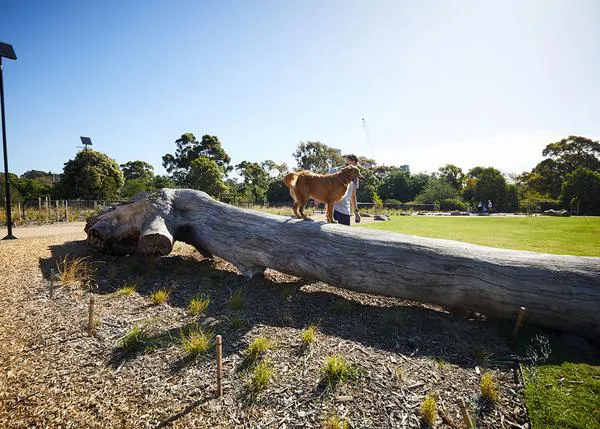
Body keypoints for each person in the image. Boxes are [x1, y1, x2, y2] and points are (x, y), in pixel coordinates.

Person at [328, 154, 361, 225]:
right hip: (334, 209)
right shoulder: (334, 171)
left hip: (346, 211)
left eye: (353, 166)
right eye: (348, 165)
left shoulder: (355, 176)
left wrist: (356, 211)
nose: (350, 168)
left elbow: (353, 195)